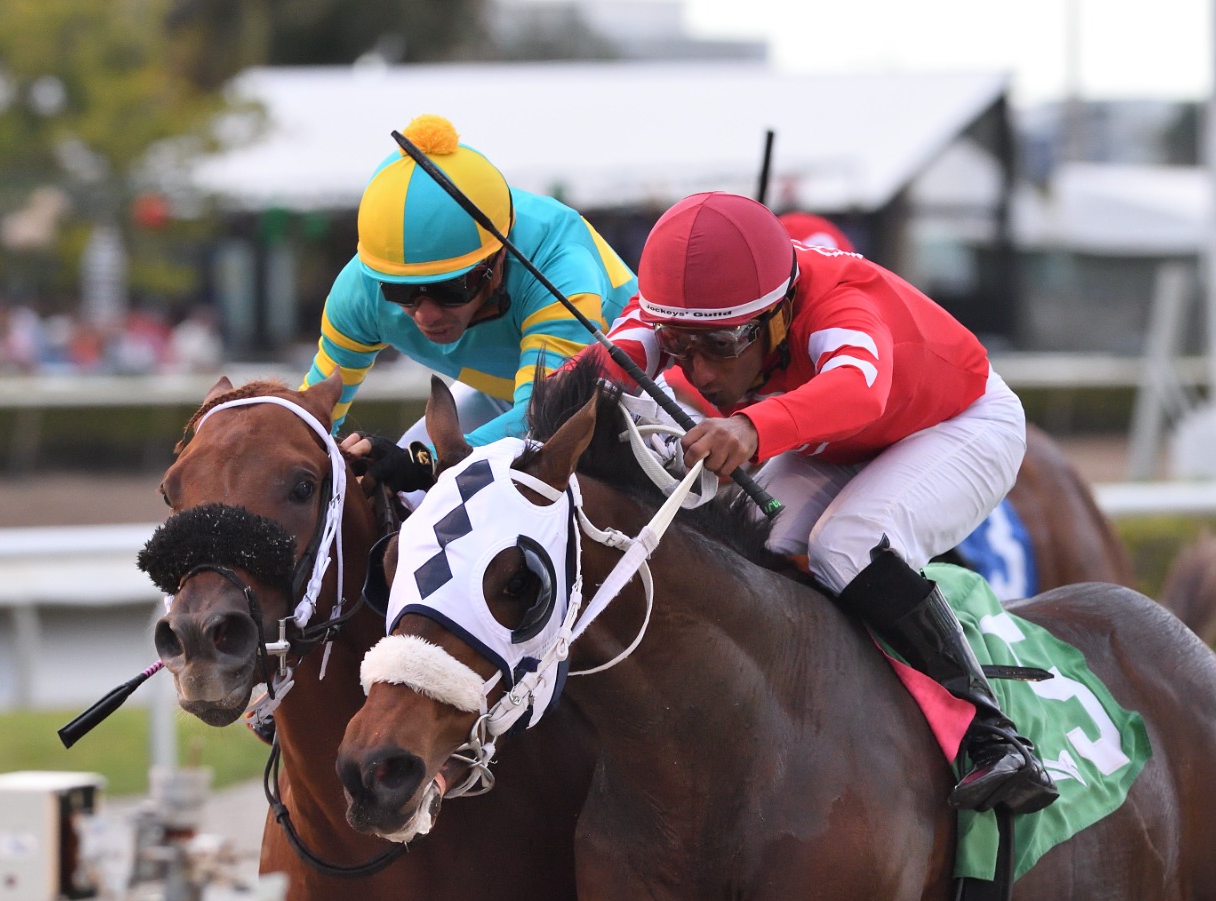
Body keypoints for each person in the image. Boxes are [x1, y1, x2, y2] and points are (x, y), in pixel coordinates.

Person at [577, 191, 1057, 816]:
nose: (700, 371)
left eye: (720, 346)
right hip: (844, 440)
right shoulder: (686, 310)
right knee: (753, 543)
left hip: (958, 422)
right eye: (680, 343)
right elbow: (608, 365)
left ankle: (994, 738)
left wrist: (749, 429)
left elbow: (858, 389)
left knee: (848, 542)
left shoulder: (840, 303)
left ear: (775, 317)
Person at [301, 114, 637, 489]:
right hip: (515, 398)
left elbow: (543, 422)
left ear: (498, 258)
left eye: (451, 287)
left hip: (636, 404)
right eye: (401, 291)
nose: (426, 314)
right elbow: (308, 418)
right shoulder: (361, 289)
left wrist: (423, 465)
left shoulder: (563, 271)